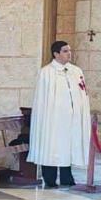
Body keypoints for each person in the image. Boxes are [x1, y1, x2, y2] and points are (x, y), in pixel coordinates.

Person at [27, 41, 91, 188]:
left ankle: (66, 177)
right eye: (65, 51)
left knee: (67, 147)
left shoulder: (76, 71)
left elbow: (82, 94)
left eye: (69, 50)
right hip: (53, 119)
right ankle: (49, 178)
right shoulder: (46, 72)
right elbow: (41, 100)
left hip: (71, 120)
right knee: (52, 146)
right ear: (56, 54)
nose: (69, 53)